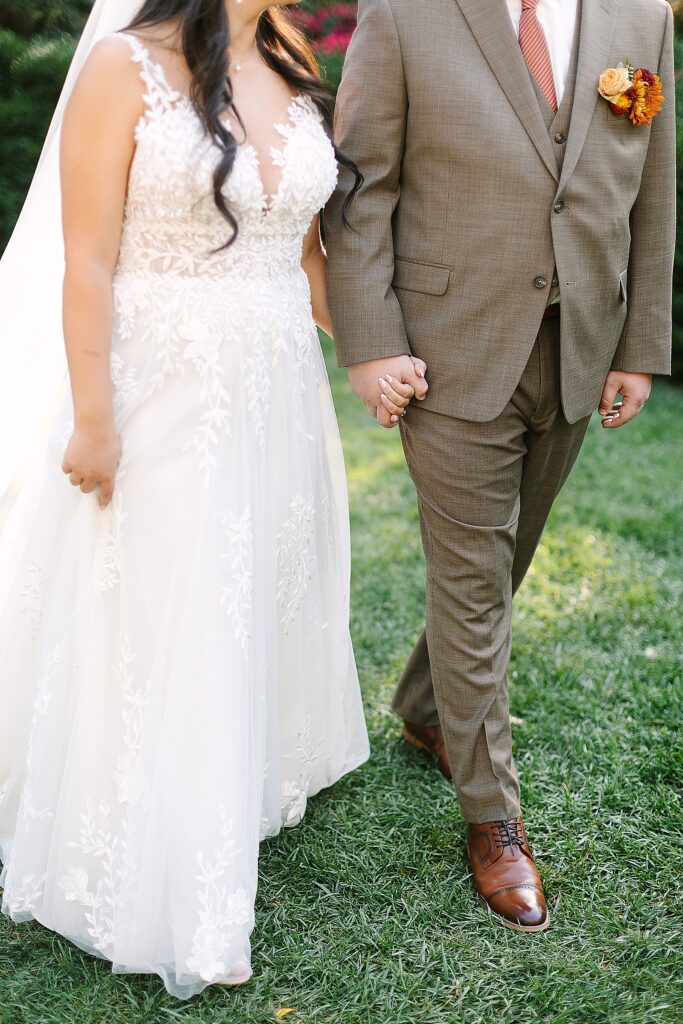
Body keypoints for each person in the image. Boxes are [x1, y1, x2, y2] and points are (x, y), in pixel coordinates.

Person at [0, 0, 397, 998]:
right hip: (159, 385)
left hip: (272, 388)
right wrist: (93, 414)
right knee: (163, 609)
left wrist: (369, 348)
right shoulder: (121, 70)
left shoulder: (288, 55)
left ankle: (226, 785)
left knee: (241, 592)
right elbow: (84, 257)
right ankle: (164, 871)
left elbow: (304, 250)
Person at [326, 0, 675, 932]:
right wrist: (367, 341)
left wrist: (637, 344)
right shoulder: (404, 15)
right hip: (445, 348)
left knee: (505, 559)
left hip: (577, 345)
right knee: (475, 581)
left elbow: (653, 187)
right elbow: (363, 187)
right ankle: (494, 820)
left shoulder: (640, 20)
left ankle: (422, 707)